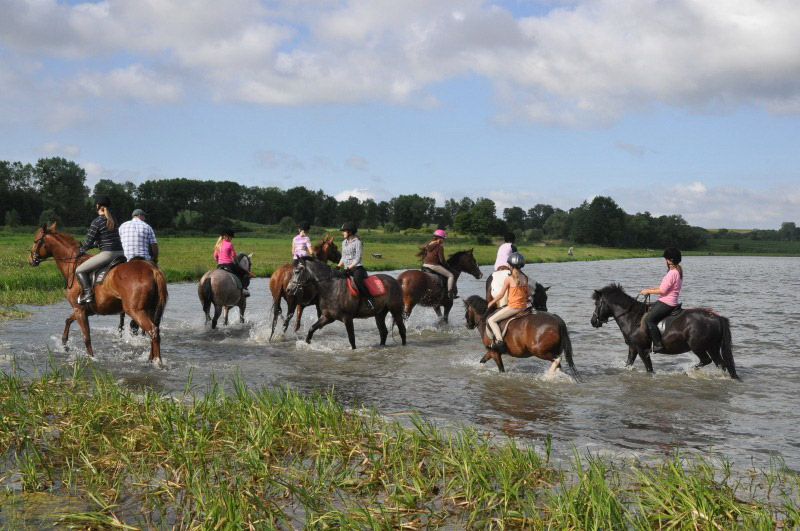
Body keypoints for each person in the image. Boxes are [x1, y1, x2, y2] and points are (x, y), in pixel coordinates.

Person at [75, 194, 125, 305]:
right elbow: (106, 239)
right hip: (121, 253)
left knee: (79, 270)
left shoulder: (97, 221)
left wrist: (80, 251)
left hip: (108, 254)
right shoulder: (113, 219)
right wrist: (96, 245)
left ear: (97, 206)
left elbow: (88, 242)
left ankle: (88, 295)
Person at [640, 247, 683, 353]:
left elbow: (663, 291)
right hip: (670, 301)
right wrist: (654, 289)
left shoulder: (672, 273)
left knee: (649, 320)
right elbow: (667, 287)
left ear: (669, 260)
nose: (665, 261)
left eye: (665, 259)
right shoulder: (677, 271)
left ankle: (658, 345)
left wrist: (648, 291)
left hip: (667, 302)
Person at [485, 252, 529, 352]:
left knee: (491, 320)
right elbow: (528, 294)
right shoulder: (524, 278)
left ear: (510, 265)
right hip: (524, 307)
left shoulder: (509, 279)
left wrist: (491, 303)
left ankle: (500, 342)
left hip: (513, 307)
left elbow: (500, 295)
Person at [337, 221, 374, 310]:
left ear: (350, 232)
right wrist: (338, 266)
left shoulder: (358, 242)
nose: (343, 233)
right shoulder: (343, 243)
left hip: (357, 268)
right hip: (347, 269)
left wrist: (349, 267)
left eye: (344, 231)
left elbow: (358, 258)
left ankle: (369, 299)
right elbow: (343, 257)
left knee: (357, 280)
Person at [418, 229, 456, 299]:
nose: (443, 240)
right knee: (451, 275)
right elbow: (441, 260)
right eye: (443, 239)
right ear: (439, 238)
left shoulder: (429, 244)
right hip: (433, 265)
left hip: (425, 264)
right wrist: (447, 265)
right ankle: (450, 293)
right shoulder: (440, 247)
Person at [214, 228, 250, 297]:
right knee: (245, 273)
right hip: (229, 265)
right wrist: (237, 263)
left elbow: (215, 257)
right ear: (226, 236)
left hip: (219, 266)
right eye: (231, 237)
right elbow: (233, 256)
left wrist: (220, 262)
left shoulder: (218, 245)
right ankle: (244, 289)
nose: (231, 239)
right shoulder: (230, 244)